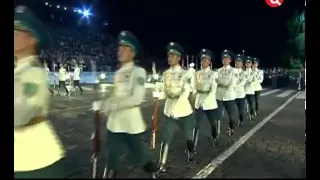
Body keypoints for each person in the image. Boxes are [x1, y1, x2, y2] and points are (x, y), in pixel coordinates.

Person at [92, 31, 157, 178]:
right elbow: (116, 96)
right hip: (114, 124)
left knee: (141, 157)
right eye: (119, 48)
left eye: (124, 48)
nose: (119, 51)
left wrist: (113, 104)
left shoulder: (138, 72)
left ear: (133, 53)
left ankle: (152, 172)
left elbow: (136, 99)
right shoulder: (118, 73)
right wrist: (102, 104)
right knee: (112, 158)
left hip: (131, 124)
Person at [14, 5, 65, 178]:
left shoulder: (34, 73)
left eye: (18, 30)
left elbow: (20, 115)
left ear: (32, 40)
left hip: (36, 159)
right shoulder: (19, 70)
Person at [155, 42, 195, 173]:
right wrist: (158, 95)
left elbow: (187, 92)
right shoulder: (166, 74)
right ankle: (162, 164)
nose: (169, 57)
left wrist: (177, 100)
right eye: (169, 55)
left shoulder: (186, 73)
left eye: (172, 55)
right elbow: (164, 91)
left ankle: (190, 151)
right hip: (169, 112)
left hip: (184, 112)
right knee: (166, 138)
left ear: (179, 58)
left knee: (189, 137)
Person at [193, 49, 219, 151]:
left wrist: (202, 90)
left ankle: (214, 137)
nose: (203, 62)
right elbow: (194, 87)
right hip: (199, 103)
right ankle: (192, 147)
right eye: (202, 60)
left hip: (210, 103)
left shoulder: (214, 74)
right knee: (196, 125)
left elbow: (213, 90)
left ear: (209, 62)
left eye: (205, 60)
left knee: (212, 123)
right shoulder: (197, 73)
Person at [216, 49, 237, 136]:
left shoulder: (234, 71)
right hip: (219, 96)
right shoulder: (218, 70)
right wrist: (223, 83)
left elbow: (231, 84)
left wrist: (220, 83)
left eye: (227, 58)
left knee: (231, 115)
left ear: (230, 60)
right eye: (223, 58)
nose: (224, 60)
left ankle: (231, 128)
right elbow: (215, 82)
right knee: (217, 116)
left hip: (229, 97)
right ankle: (217, 132)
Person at [233, 54, 247, 127]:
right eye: (237, 61)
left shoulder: (244, 73)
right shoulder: (231, 71)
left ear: (242, 64)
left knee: (240, 110)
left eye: (239, 61)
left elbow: (242, 83)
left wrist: (233, 85)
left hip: (240, 94)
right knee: (231, 110)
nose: (238, 63)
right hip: (231, 94)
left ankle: (240, 120)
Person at [244, 56, 256, 121]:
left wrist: (248, 81)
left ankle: (251, 114)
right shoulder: (243, 72)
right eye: (247, 63)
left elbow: (254, 80)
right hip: (244, 90)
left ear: (251, 64)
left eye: (249, 63)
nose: (248, 64)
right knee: (243, 105)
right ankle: (244, 115)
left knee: (251, 104)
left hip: (250, 90)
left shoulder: (253, 72)